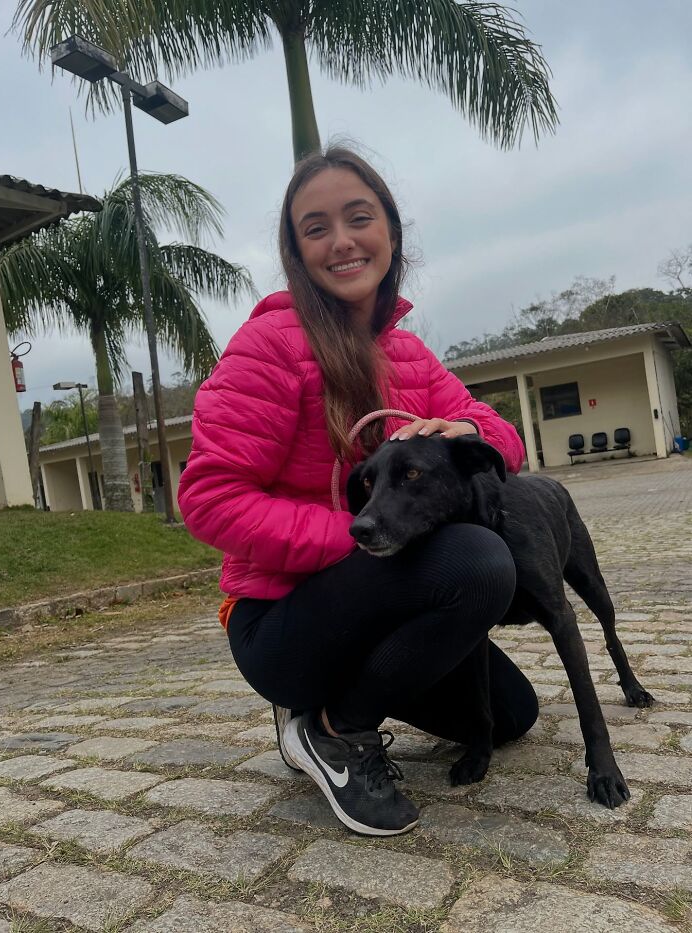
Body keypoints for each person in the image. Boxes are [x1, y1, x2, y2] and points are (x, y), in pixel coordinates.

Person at [178, 146, 537, 837]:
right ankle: (336, 730)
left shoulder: (410, 354)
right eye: (315, 227)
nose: (341, 240)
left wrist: (461, 423)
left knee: (510, 716)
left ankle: (330, 703)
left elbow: (500, 443)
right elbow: (210, 498)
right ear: (296, 251)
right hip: (280, 619)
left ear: (391, 233)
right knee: (478, 560)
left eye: (358, 217)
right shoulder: (270, 346)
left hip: (379, 594)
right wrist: (358, 537)